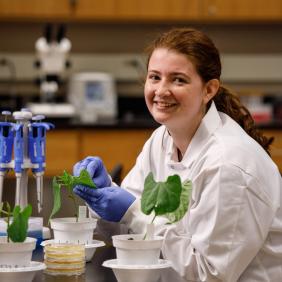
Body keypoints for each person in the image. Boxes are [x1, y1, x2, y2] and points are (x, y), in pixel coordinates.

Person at [73, 27, 282, 281]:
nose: (161, 90)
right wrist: (102, 196)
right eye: (154, 77)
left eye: (178, 79)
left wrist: (130, 211)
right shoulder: (161, 140)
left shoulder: (229, 163)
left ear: (209, 90)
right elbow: (128, 231)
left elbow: (210, 274)